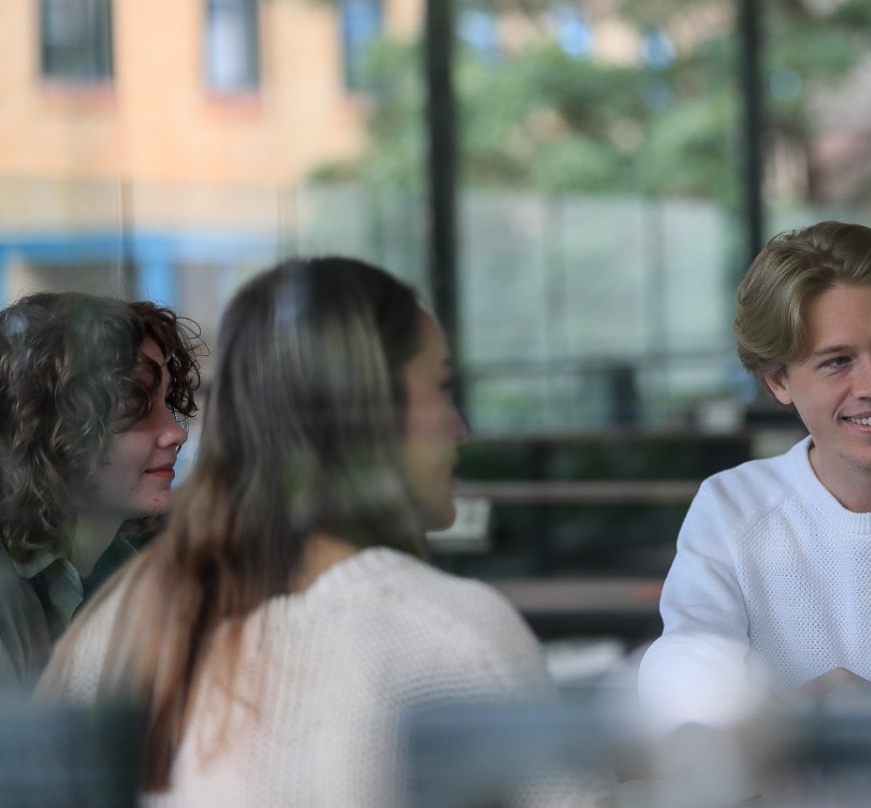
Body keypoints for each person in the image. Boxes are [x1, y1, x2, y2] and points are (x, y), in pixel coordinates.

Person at [40, 258, 593, 806]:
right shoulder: (446, 632)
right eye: (441, 386)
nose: (460, 426)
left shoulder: (115, 626)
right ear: (370, 408)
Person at [637, 220, 871, 730]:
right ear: (778, 381)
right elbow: (686, 653)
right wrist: (710, 705)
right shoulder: (733, 507)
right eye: (837, 361)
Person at [0, 292, 201, 697]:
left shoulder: (122, 571)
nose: (177, 432)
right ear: (49, 428)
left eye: (165, 401)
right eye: (137, 405)